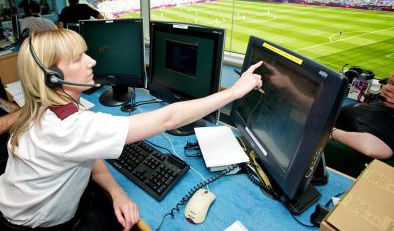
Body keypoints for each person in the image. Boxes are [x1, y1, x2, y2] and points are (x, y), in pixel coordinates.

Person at [0, 29, 262, 230]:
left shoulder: (51, 108)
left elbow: (86, 153)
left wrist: (117, 191)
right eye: (78, 58)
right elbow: (167, 119)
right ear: (52, 76)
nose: (91, 61)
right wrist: (235, 91)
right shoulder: (69, 127)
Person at [331, 73, 394, 159]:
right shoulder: (383, 103)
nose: (389, 88)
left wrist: (331, 132)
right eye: (391, 83)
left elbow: (372, 148)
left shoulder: (387, 116)